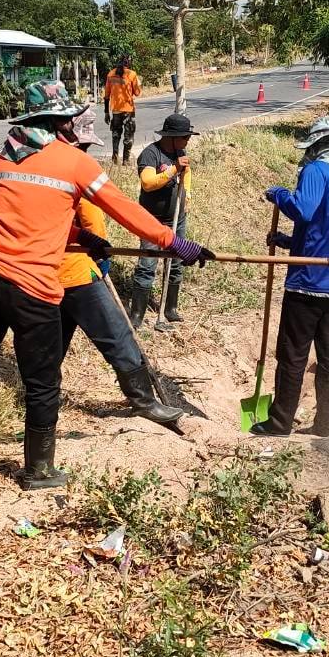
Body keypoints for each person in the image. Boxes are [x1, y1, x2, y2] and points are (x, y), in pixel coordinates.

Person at [0, 80, 210, 496]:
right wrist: (176, 243)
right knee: (42, 384)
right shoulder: (73, 162)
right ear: (61, 122)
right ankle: (38, 472)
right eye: (71, 119)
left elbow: (28, 214)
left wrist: (80, 235)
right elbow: (125, 210)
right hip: (32, 286)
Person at [58, 109, 183, 429]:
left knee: (54, 340)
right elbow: (95, 218)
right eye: (84, 145)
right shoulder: (76, 169)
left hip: (45, 272)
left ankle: (42, 398)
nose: (86, 150)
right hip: (76, 271)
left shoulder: (39, 163)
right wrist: (98, 248)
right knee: (118, 335)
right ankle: (144, 402)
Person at [251, 115, 329, 438]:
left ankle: (280, 422)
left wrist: (279, 194)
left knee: (292, 354)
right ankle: (325, 423)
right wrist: (289, 242)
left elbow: (302, 210)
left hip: (309, 282)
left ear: (317, 145)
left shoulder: (316, 171)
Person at [131, 113, 197, 328]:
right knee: (147, 265)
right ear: (172, 136)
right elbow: (148, 183)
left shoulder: (180, 153)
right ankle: (137, 315)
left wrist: (187, 193)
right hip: (152, 220)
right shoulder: (151, 154)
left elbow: (187, 173)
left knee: (176, 263)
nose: (188, 140)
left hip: (177, 219)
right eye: (185, 137)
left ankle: (170, 308)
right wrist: (173, 169)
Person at [103, 56, 142, 165]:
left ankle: (115, 158)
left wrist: (106, 112)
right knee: (128, 136)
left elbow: (106, 96)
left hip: (115, 110)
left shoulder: (111, 74)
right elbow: (137, 93)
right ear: (128, 63)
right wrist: (139, 84)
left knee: (115, 134)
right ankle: (126, 160)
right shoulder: (131, 74)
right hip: (128, 110)